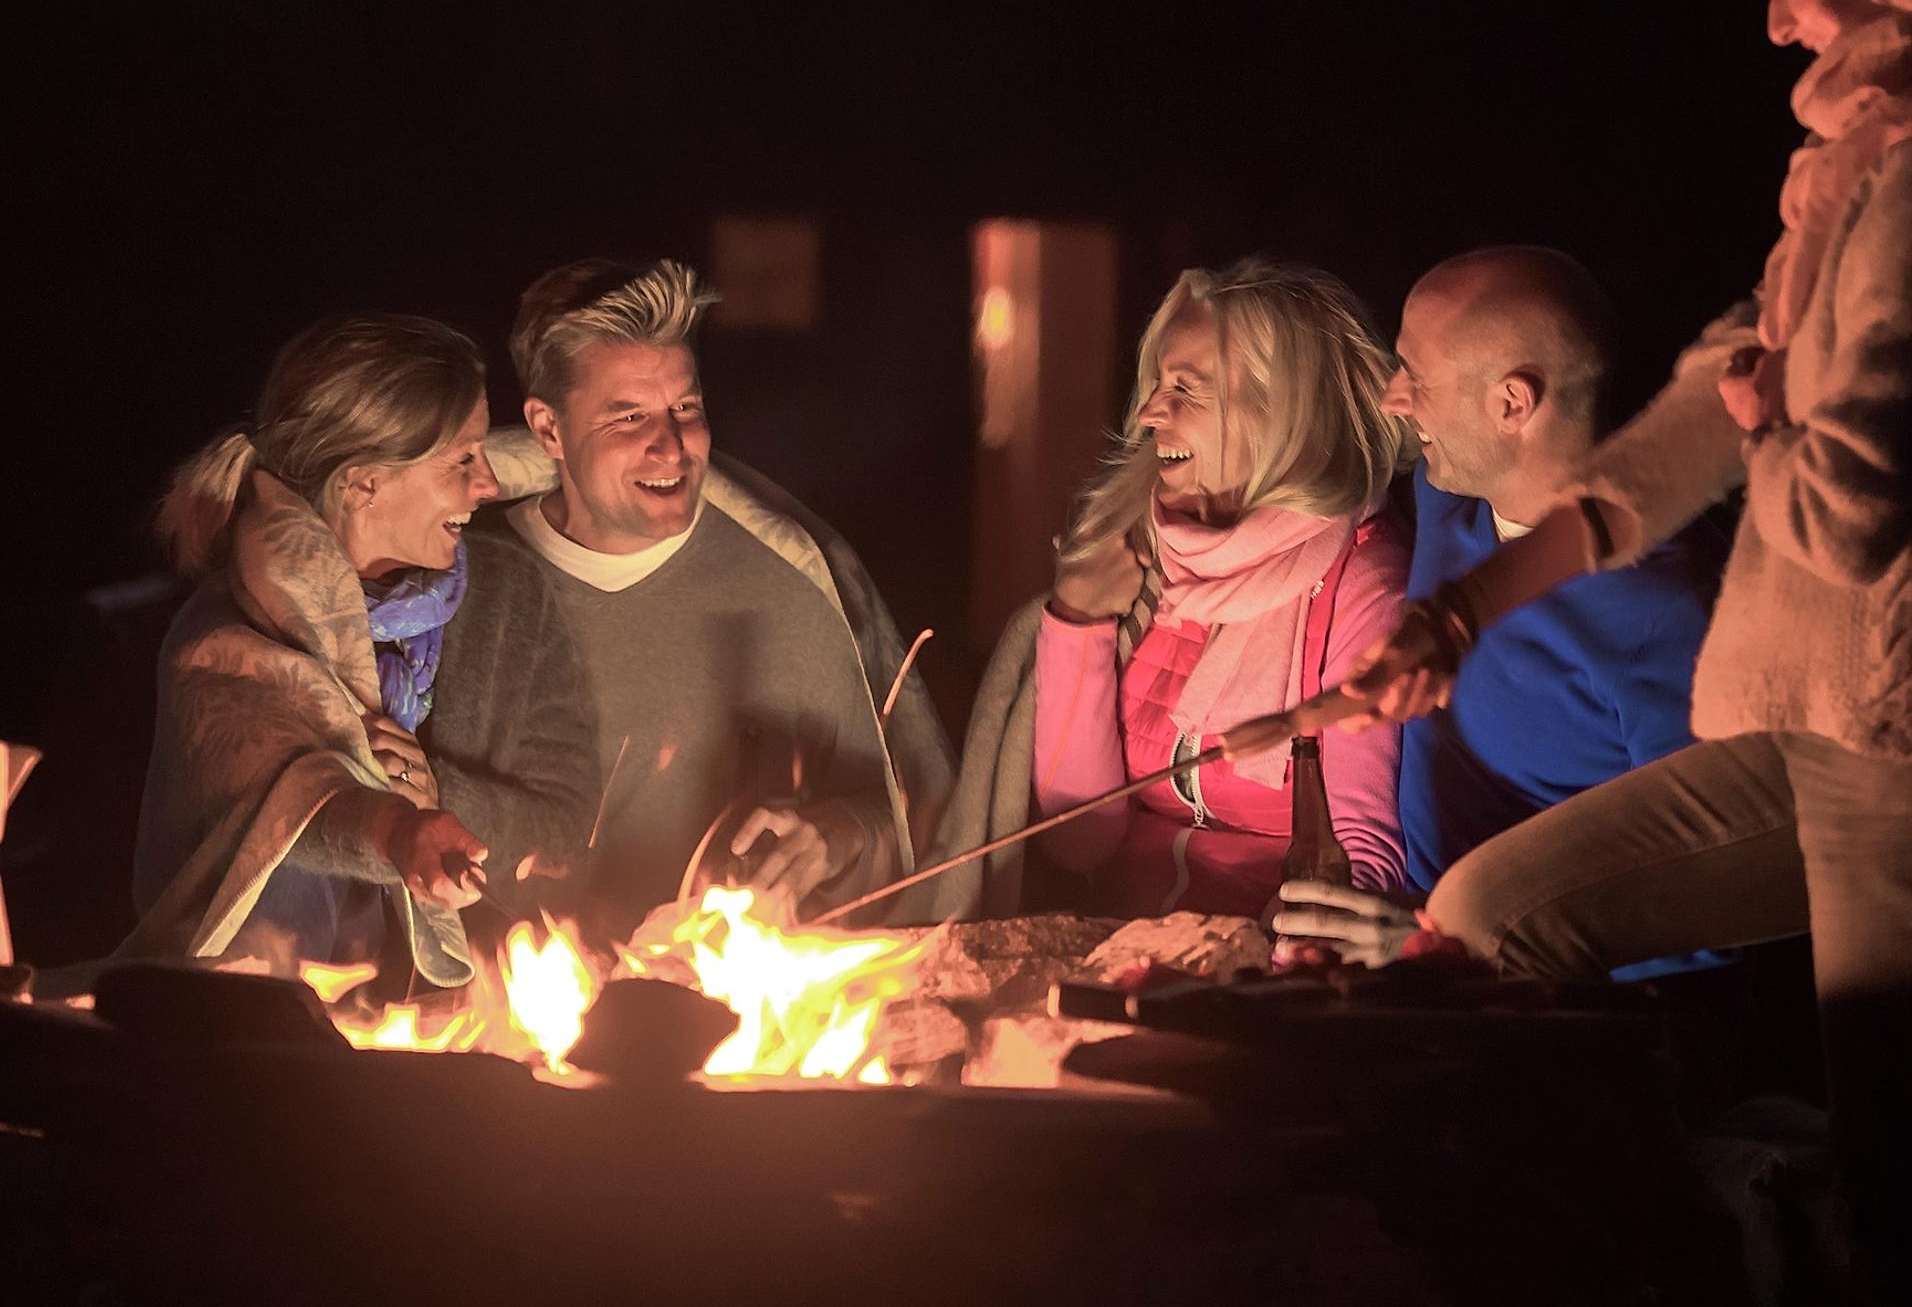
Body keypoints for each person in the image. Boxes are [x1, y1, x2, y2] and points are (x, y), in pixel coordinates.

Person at [1290, 0, 1912, 1307]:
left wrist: (1769, 408)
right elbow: (1677, 436)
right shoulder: (1853, 171)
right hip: (1803, 725)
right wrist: (1455, 619)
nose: (1771, 18)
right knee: (1495, 913)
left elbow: (1852, 505)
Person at [436, 257, 953, 943]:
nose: (672, 446)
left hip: (724, 999)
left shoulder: (790, 585)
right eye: (629, 417)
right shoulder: (456, 576)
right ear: (548, 429)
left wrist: (838, 835)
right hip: (497, 996)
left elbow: (922, 822)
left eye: (686, 408)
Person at [127, 314, 585, 986]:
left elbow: (569, 827)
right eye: (462, 460)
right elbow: (278, 813)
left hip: (484, 1014)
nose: (487, 485)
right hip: (261, 1013)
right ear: (363, 483)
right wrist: (392, 825)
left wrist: (438, 794)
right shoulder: (229, 638)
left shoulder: (509, 598)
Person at [1029, 258, 1410, 918]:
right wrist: (1076, 620)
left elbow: (1363, 863)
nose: (1151, 412)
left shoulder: (1363, 581)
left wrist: (1260, 959)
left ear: (1279, 412)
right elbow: (1078, 838)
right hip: (1120, 942)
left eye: (1186, 387)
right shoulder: (1137, 557)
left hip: (1268, 958)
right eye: (1156, 384)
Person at [1333, 246, 1718, 898]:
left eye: (1415, 377)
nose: (1393, 399)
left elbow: (1703, 887)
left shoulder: (1663, 609)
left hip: (1523, 951)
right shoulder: (1449, 496)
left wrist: (1446, 940)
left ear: (1512, 402)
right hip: (1404, 915)